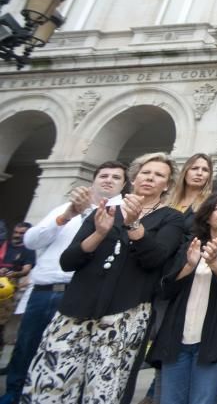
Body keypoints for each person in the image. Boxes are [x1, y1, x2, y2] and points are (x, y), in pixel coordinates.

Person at [22, 152, 185, 404]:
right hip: (76, 308)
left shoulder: (172, 218)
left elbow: (156, 259)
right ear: (134, 177)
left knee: (103, 390)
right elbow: (69, 261)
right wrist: (98, 233)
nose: (150, 178)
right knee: (52, 386)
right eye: (146, 172)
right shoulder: (105, 210)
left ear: (168, 184)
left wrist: (133, 227)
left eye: (159, 175)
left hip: (124, 313)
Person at [0, 162, 127, 404]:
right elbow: (31, 241)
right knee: (26, 348)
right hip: (44, 292)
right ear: (93, 180)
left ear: (123, 184)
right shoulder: (65, 209)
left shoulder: (123, 214)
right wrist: (67, 214)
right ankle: (14, 395)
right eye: (104, 175)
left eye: (116, 177)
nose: (108, 180)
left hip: (82, 293)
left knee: (69, 356)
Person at [149, 189, 217, 404]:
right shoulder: (191, 244)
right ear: (207, 215)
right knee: (170, 400)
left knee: (203, 400)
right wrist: (189, 265)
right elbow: (165, 289)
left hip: (215, 339)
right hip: (177, 337)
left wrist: (215, 263)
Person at [0, 221, 34, 355]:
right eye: (16, 232)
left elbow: (26, 269)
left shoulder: (28, 250)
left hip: (8, 288)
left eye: (22, 233)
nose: (17, 235)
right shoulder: (3, 245)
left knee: (1, 322)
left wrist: (13, 273)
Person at [168, 153, 216, 231]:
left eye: (205, 170)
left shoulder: (210, 204)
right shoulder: (168, 201)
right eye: (194, 168)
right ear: (185, 172)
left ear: (209, 176)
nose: (199, 173)